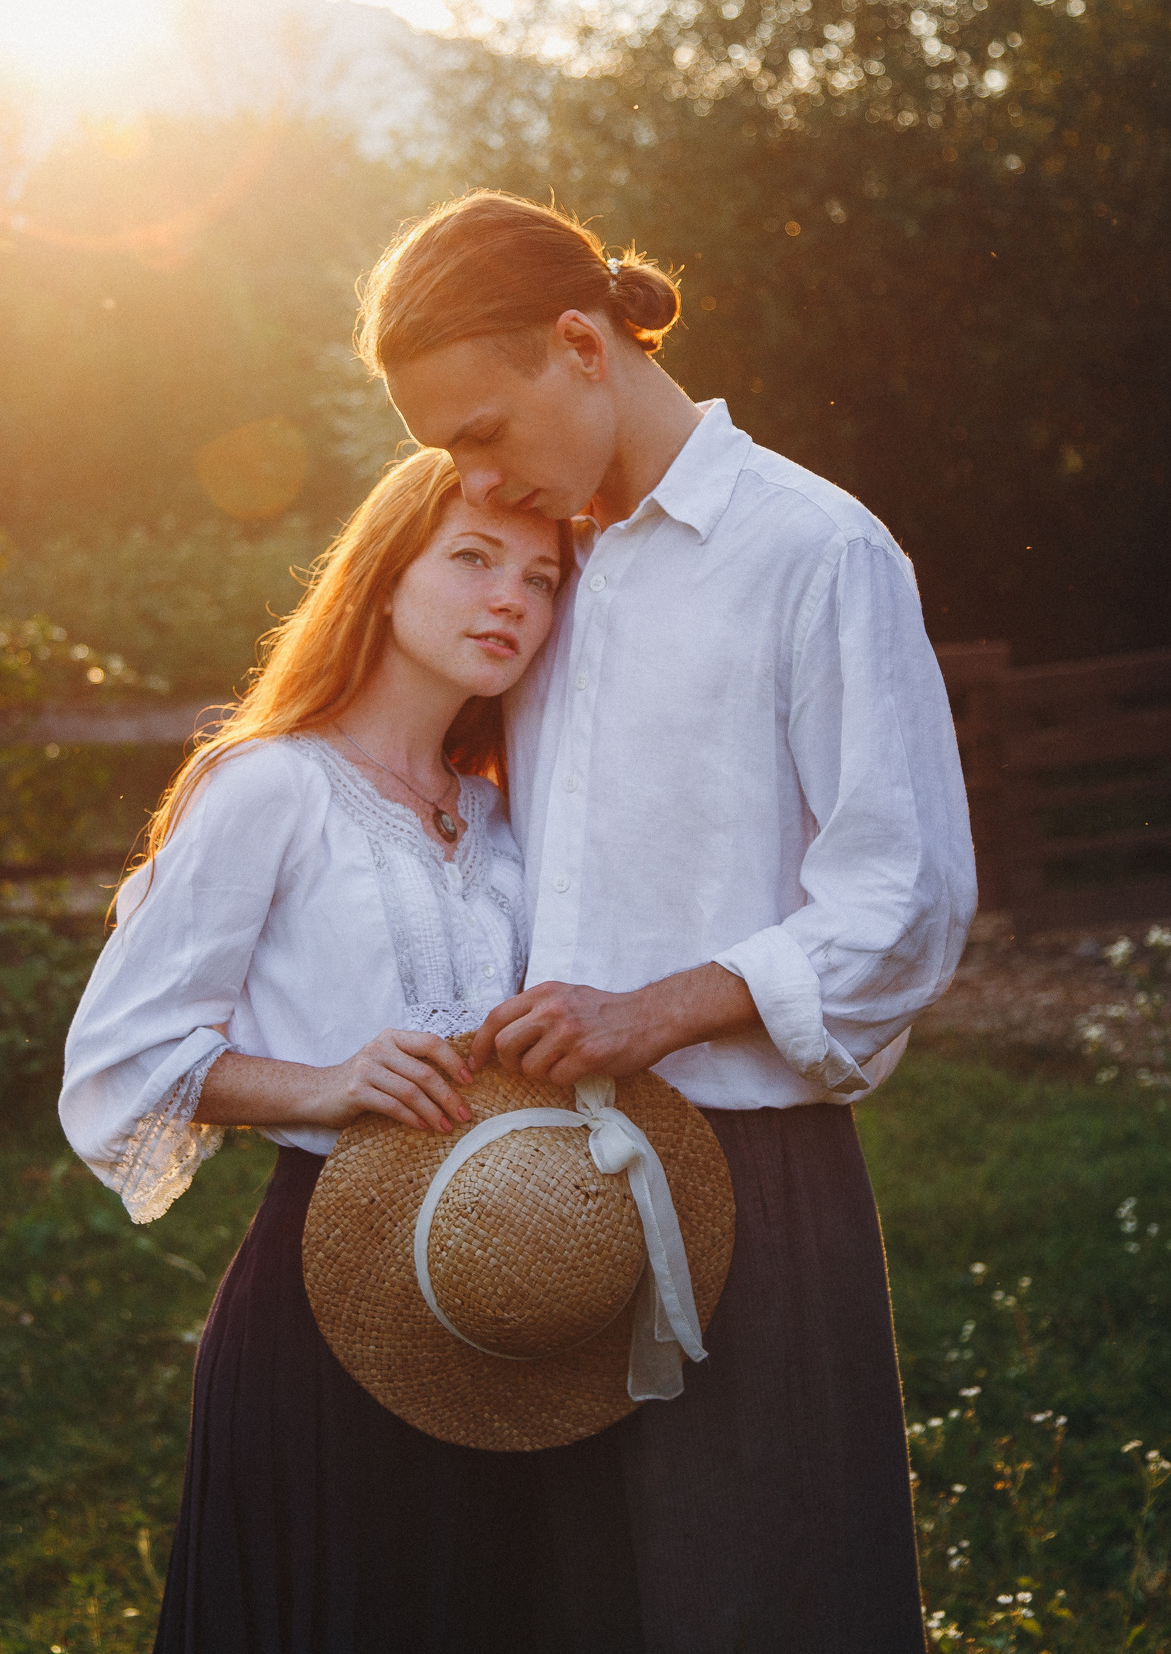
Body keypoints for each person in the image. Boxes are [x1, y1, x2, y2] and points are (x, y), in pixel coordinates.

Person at [360, 189, 979, 1651]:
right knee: (579, 1601)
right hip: (538, 1179)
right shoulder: (545, 572)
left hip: (747, 1176)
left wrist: (657, 1005)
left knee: (755, 1589)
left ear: (583, 344)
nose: (475, 481)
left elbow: (905, 896)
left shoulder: (815, 552)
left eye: (480, 434)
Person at [60, 449, 634, 1652]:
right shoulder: (272, 785)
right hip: (330, 1288)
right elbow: (123, 1054)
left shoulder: (506, 815)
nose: (510, 604)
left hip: (510, 1294)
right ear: (380, 578)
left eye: (539, 581)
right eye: (472, 561)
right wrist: (324, 1080)